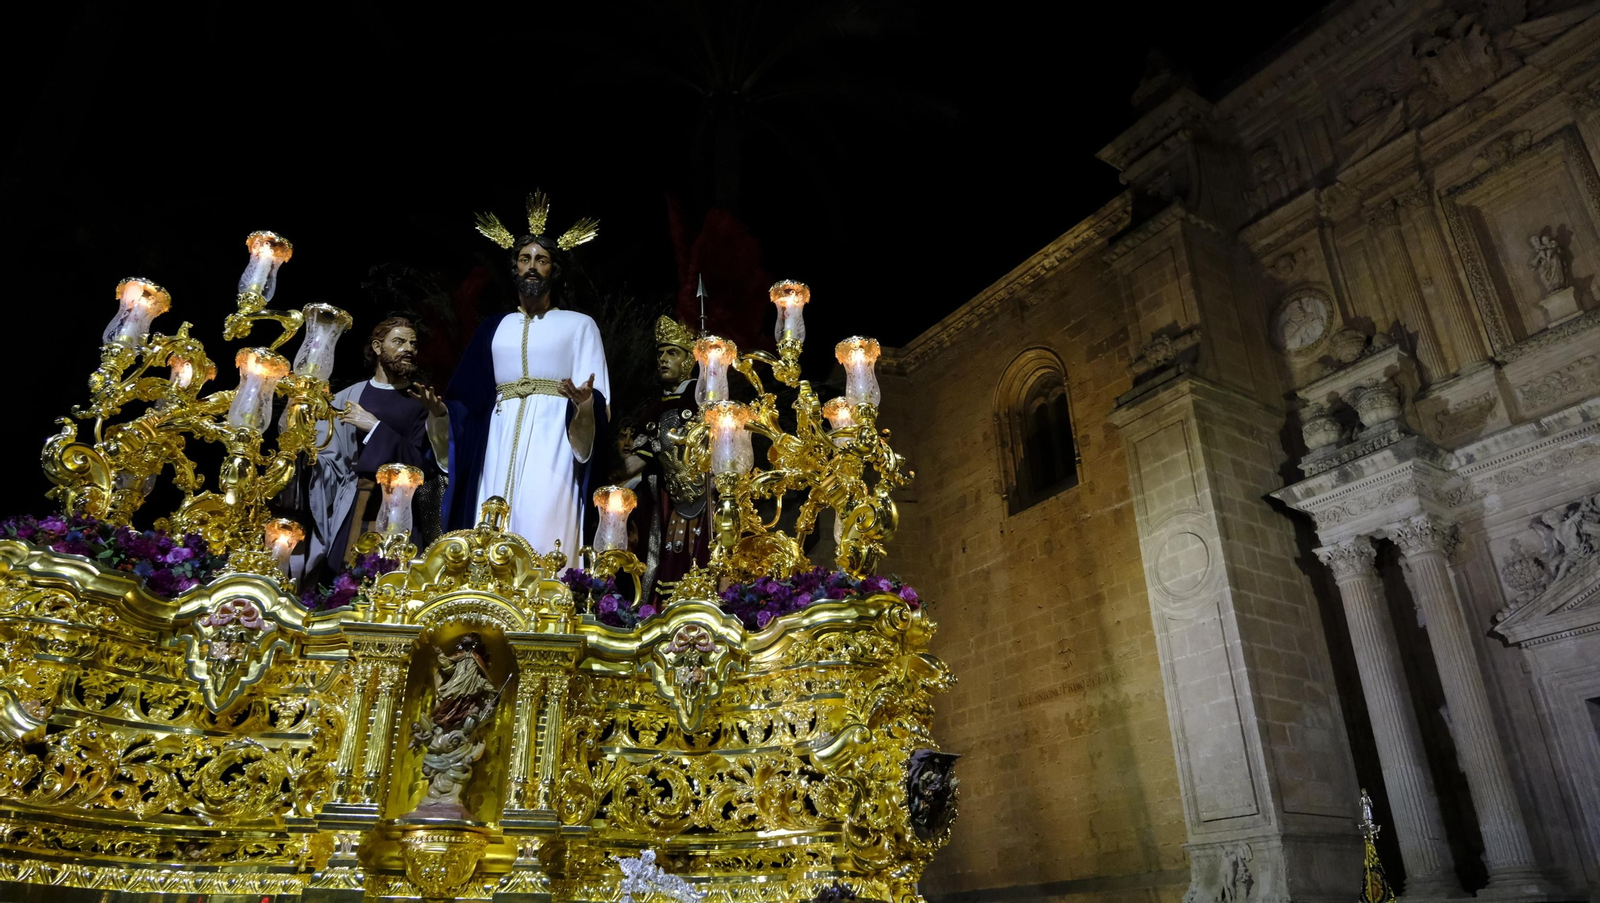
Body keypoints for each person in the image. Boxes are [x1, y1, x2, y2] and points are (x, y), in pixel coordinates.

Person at [443, 199, 610, 565]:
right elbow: (465, 400)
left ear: (554, 270)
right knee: (487, 525)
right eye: (524, 258)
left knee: (543, 521)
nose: (532, 266)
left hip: (553, 439)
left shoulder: (579, 324)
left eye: (541, 259)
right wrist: (439, 414)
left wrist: (584, 403)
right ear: (514, 267)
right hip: (498, 439)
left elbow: (597, 397)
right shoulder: (493, 328)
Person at [305, 316, 449, 580]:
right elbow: (327, 462)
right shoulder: (348, 398)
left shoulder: (421, 402)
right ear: (377, 347)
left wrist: (374, 427)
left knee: (396, 582)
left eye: (413, 344)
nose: (408, 349)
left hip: (403, 512)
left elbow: (423, 465)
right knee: (342, 584)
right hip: (355, 505)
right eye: (399, 341)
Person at [624, 316, 711, 602]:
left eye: (672, 352)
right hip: (667, 503)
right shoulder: (655, 409)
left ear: (689, 360)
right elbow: (635, 463)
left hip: (705, 501)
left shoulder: (704, 400)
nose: (663, 359)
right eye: (660, 353)